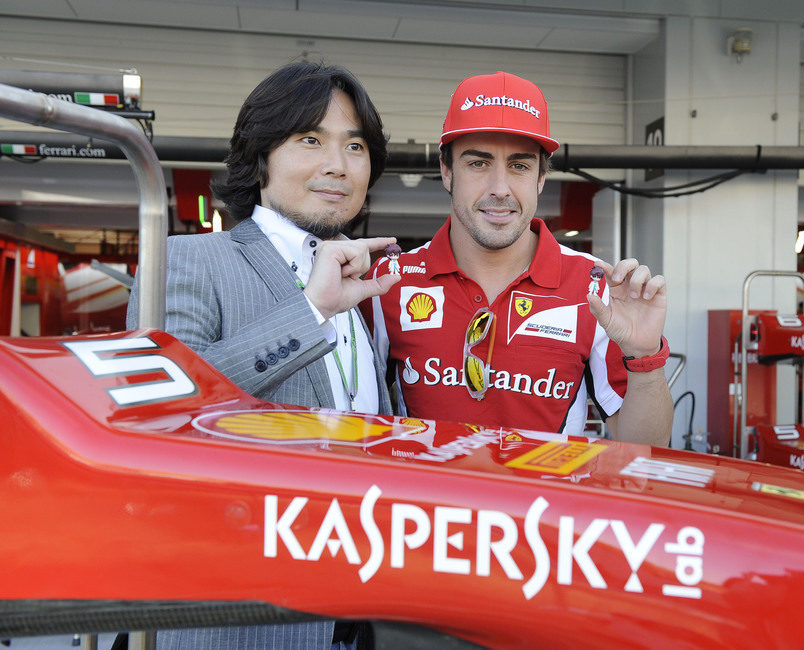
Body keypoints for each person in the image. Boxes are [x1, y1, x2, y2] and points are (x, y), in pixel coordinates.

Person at [127, 60, 399, 649]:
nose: (337, 164)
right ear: (260, 156)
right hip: (235, 621)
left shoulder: (361, 285)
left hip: (354, 613)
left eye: (355, 145)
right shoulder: (190, 260)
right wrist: (311, 313)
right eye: (310, 140)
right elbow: (159, 415)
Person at [364, 71, 673, 446]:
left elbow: (646, 446)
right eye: (478, 163)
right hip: (426, 506)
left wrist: (644, 358)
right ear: (447, 172)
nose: (499, 189)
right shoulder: (390, 280)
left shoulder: (593, 286)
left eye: (520, 166)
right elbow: (354, 422)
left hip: (547, 505)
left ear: (541, 178)